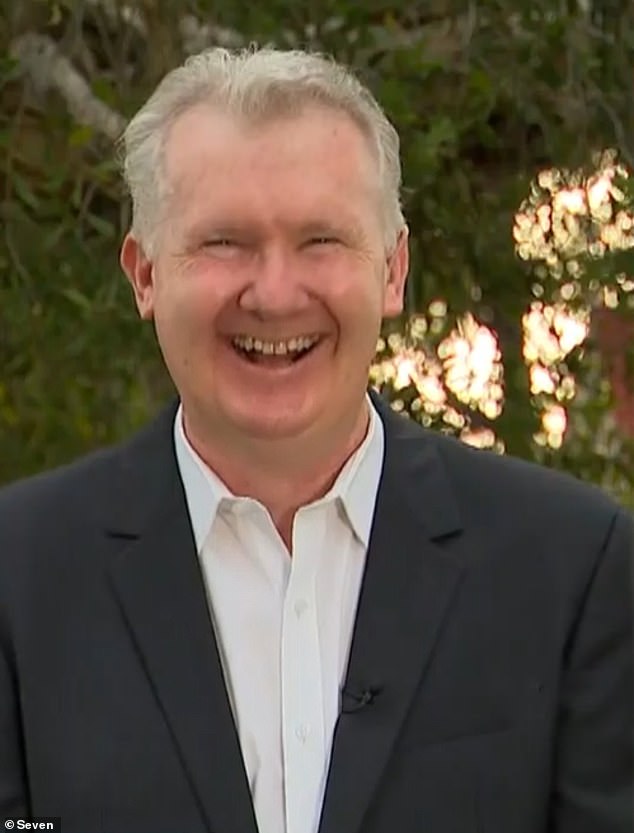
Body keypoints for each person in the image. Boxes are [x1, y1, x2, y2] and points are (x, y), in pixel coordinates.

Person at [0, 46, 631, 833]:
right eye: (224, 242)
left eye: (321, 241)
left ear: (393, 270)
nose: (273, 293)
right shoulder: (18, 575)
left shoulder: (573, 568)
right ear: (145, 275)